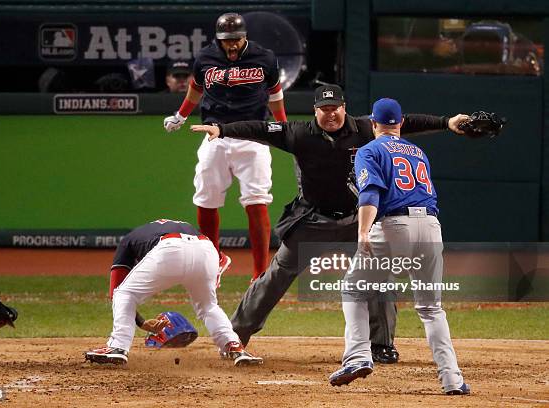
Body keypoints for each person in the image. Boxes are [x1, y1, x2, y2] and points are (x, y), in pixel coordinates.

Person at [190, 84, 470, 364]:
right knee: (276, 275)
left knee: (378, 277)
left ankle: (382, 344)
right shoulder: (299, 133)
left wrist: (447, 122)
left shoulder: (364, 129)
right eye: (324, 109)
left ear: (344, 108)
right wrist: (222, 130)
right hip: (313, 219)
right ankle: (235, 336)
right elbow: (260, 129)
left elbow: (406, 122)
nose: (330, 114)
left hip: (354, 220)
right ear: (315, 111)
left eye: (334, 108)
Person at [328, 98, 470, 395]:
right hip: (431, 226)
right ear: (401, 123)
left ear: (374, 124)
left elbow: (370, 193)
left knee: (353, 290)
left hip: (394, 226)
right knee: (432, 308)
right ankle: (453, 380)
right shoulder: (418, 152)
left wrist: (363, 231)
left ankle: (357, 356)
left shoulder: (369, 149)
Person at [163, 12, 287, 282]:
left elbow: (275, 95)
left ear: (245, 37)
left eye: (236, 39)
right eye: (226, 40)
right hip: (214, 134)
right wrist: (181, 115)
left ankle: (259, 273)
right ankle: (214, 260)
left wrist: (283, 127)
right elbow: (195, 89)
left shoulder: (264, 58)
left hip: (253, 135)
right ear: (218, 39)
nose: (231, 45)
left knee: (256, 201)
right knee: (206, 200)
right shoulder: (206, 58)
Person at [85, 219, 263, 366]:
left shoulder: (127, 241)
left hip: (169, 248)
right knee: (209, 306)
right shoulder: (180, 227)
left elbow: (115, 290)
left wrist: (141, 323)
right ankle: (233, 346)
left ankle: (118, 346)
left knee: (124, 293)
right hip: (207, 249)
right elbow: (222, 260)